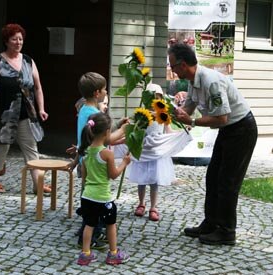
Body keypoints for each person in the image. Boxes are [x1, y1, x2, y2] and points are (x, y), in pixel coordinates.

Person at [168, 43, 258, 245]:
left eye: (173, 66)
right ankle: (211, 224)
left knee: (228, 182)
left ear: (183, 65)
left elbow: (222, 118)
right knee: (213, 177)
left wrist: (190, 121)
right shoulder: (193, 80)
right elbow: (189, 107)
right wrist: (175, 111)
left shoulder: (211, 81)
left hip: (242, 130)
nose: (172, 70)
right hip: (229, 131)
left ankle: (226, 232)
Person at [0, 23, 50, 194]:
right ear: (6, 41)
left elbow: (37, 87)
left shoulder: (29, 61)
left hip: (26, 114)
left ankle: (38, 184)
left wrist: (41, 108)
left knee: (31, 147)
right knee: (0, 148)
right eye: (14, 39)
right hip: (3, 115)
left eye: (21, 39)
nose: (18, 42)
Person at [72, 72, 127, 251]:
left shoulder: (83, 110)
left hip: (85, 158)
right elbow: (108, 139)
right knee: (96, 198)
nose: (105, 91)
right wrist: (124, 129)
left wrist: (117, 125)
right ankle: (90, 233)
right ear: (97, 93)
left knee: (88, 195)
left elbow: (100, 134)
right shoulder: (94, 113)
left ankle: (89, 226)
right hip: (95, 159)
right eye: (104, 89)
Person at [128, 83, 192, 221]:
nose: (154, 102)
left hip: (156, 152)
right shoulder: (141, 114)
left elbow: (169, 132)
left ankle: (153, 206)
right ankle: (141, 203)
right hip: (144, 151)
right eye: (151, 98)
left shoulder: (163, 116)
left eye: (157, 98)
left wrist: (182, 132)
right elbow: (136, 132)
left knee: (154, 181)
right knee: (142, 180)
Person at [76, 112, 131, 266]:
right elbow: (113, 175)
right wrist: (124, 163)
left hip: (87, 196)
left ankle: (85, 254)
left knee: (89, 224)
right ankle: (113, 254)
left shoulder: (85, 152)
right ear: (107, 132)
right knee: (111, 224)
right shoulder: (107, 153)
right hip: (103, 198)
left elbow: (85, 178)